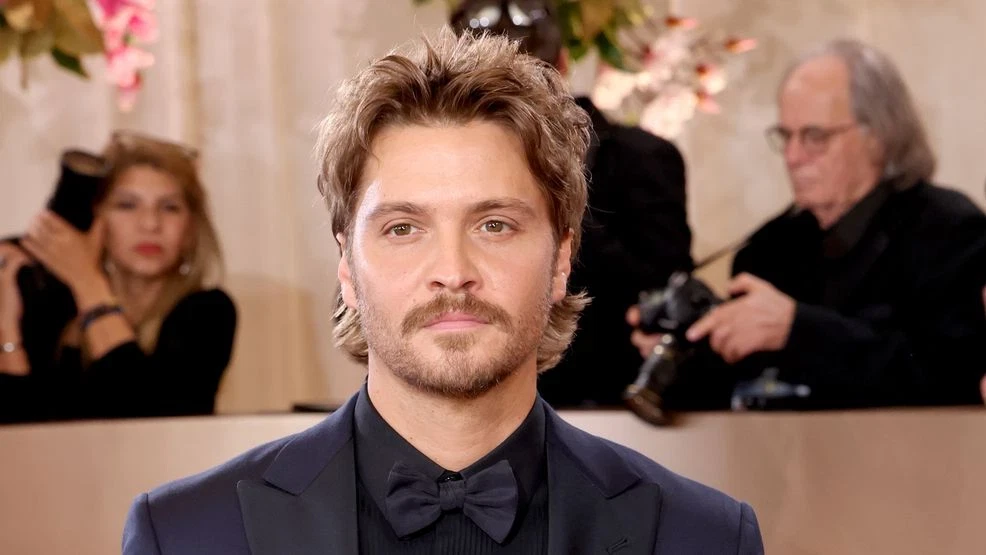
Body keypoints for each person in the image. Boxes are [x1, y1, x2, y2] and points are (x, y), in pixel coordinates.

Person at [122, 29, 763, 554]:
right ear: (346, 262)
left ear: (562, 257)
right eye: (404, 228)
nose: (452, 270)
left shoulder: (702, 537)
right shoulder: (184, 535)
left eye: (493, 225)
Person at [630, 38, 986, 410]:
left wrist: (797, 331)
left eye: (815, 137)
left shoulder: (950, 230)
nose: (793, 157)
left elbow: (952, 376)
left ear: (878, 138)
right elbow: (740, 391)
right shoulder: (770, 247)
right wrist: (682, 353)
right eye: (786, 136)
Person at [450, 0, 693, 407]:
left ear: (560, 67)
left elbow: (665, 297)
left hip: (614, 417)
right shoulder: (438, 172)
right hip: (474, 413)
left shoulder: (641, 159)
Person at [0, 132, 236, 423]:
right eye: (127, 205)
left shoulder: (208, 312)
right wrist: (7, 323)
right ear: (96, 220)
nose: (150, 224)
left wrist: (86, 280)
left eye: (169, 207)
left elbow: (152, 424)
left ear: (190, 229)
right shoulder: (54, 305)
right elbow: (16, 429)